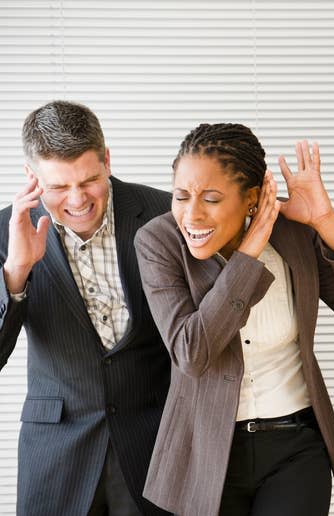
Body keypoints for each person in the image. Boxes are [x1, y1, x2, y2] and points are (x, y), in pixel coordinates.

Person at [133, 122, 334, 515]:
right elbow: (192, 352)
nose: (191, 214)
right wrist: (247, 257)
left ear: (252, 198)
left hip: (296, 447)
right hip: (205, 453)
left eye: (212, 198)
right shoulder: (159, 243)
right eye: (181, 195)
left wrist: (325, 222)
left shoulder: (294, 233)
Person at [0, 100, 172, 515]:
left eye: (90, 180)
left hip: (154, 445)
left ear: (107, 159)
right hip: (57, 454)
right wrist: (16, 272)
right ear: (32, 177)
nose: (77, 199)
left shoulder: (165, 213)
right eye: (58, 187)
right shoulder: (5, 231)